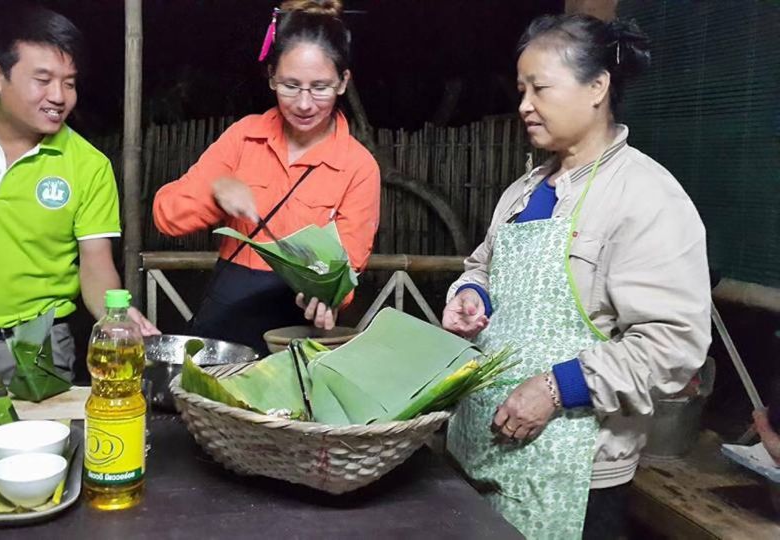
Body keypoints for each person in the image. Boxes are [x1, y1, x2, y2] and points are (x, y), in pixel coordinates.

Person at [442, 15, 711, 539]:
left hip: (574, 476)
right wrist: (472, 294)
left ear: (597, 87)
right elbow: (481, 266)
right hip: (477, 451)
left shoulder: (646, 197)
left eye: (539, 88)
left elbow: (673, 344)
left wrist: (558, 387)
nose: (523, 104)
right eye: (521, 89)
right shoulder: (522, 193)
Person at [0, 6, 159, 389]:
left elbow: (95, 264)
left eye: (69, 82)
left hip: (40, 349)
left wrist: (114, 317)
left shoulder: (89, 165)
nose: (59, 96)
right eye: (43, 79)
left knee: (46, 448)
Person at [152, 0, 380, 354]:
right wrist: (215, 192)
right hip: (224, 334)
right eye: (291, 85)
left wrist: (329, 296)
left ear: (342, 82)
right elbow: (165, 216)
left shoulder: (358, 167)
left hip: (298, 337)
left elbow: (348, 270)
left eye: (319, 87)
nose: (304, 104)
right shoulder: (243, 139)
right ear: (272, 75)